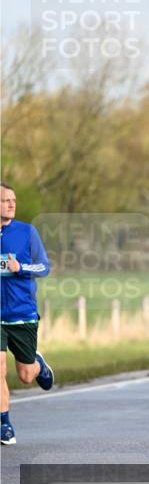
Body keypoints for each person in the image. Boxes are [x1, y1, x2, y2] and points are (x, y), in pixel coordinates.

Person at [0, 182, 55, 445]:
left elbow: (44, 267)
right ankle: (5, 425)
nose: (11, 204)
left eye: (13, 200)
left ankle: (38, 364)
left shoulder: (26, 232)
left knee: (24, 375)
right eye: (5, 200)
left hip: (22, 313)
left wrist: (20, 266)